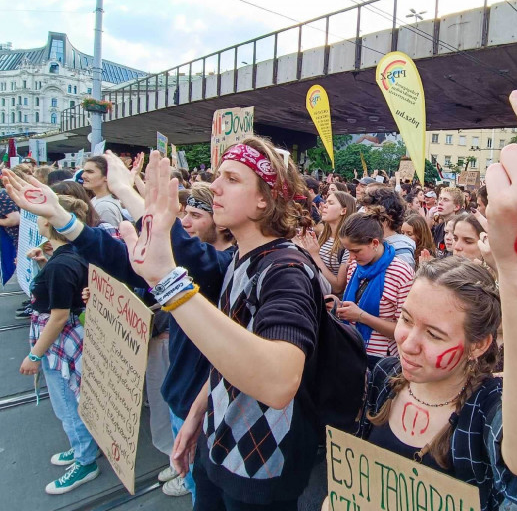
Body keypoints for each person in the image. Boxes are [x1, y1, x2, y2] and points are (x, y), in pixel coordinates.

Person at [6, 137, 327, 510]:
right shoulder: (241, 258)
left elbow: (278, 381)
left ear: (265, 198)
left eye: (232, 179)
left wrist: (167, 277)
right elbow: (226, 358)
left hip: (260, 466)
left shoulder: (287, 270)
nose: (215, 186)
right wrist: (196, 416)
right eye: (218, 175)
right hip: (217, 444)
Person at [354, 91, 517, 511]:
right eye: (406, 320)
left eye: (435, 333)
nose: (407, 342)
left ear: (480, 344)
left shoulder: (489, 410)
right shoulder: (385, 376)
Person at [16, 194, 100, 494]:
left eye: (40, 215)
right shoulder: (67, 257)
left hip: (58, 344)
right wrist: (44, 263)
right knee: (71, 399)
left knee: (67, 403)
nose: (36, 219)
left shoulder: (62, 265)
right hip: (65, 339)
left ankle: (85, 460)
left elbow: (58, 316)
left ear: (52, 222)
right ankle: (83, 447)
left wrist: (35, 355)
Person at [336, 211, 414, 371]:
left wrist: (361, 316)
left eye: (356, 251)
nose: (351, 257)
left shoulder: (402, 273)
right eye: (347, 250)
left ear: (375, 243)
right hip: (349, 348)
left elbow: (405, 330)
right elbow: (352, 306)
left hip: (381, 361)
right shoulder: (355, 267)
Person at [294, 190, 355, 295]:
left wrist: (314, 255)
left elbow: (338, 288)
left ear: (343, 211)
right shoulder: (324, 234)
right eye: (326, 202)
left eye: (330, 203)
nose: (324, 206)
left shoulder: (348, 243)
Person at [359, 187, 416, 269]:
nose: (364, 216)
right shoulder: (369, 240)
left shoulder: (401, 253)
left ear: (388, 217)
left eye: (368, 211)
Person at [81, 156, 124, 228]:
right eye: (84, 171)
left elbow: (110, 237)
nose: (83, 176)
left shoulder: (104, 206)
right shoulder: (96, 200)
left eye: (90, 172)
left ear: (107, 176)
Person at [432, 188, 464, 258]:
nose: (440, 202)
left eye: (446, 200)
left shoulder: (462, 229)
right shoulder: (439, 227)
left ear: (456, 207)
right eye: (440, 199)